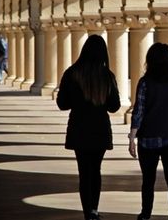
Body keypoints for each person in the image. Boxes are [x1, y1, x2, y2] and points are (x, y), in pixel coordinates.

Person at [56, 35, 120, 220]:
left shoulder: (72, 73)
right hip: (100, 128)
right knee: (96, 170)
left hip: (79, 127)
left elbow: (62, 103)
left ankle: (87, 212)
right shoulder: (107, 76)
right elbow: (114, 106)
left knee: (84, 172)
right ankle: (94, 209)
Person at [129, 43, 168, 220]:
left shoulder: (145, 83)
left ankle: (146, 214)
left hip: (148, 138)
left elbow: (139, 111)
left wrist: (132, 137)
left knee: (148, 180)